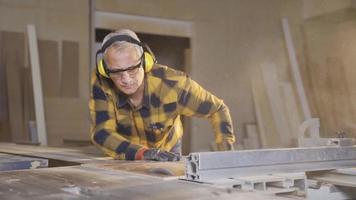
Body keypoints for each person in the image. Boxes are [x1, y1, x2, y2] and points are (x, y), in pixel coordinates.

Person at [89, 29, 235, 161]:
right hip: (126, 150)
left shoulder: (173, 84)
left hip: (167, 147)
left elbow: (218, 110)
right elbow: (101, 132)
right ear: (105, 70)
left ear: (146, 62)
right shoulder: (102, 81)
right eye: (116, 72)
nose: (126, 79)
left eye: (132, 69)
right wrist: (142, 153)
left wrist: (226, 156)